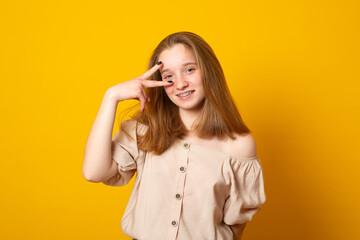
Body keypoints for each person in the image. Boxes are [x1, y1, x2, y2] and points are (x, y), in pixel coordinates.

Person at [82, 31, 266, 240]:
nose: (180, 84)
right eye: (168, 76)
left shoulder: (239, 146)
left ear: (208, 71)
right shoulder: (146, 130)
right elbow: (93, 172)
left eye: (189, 70)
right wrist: (111, 96)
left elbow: (235, 225)